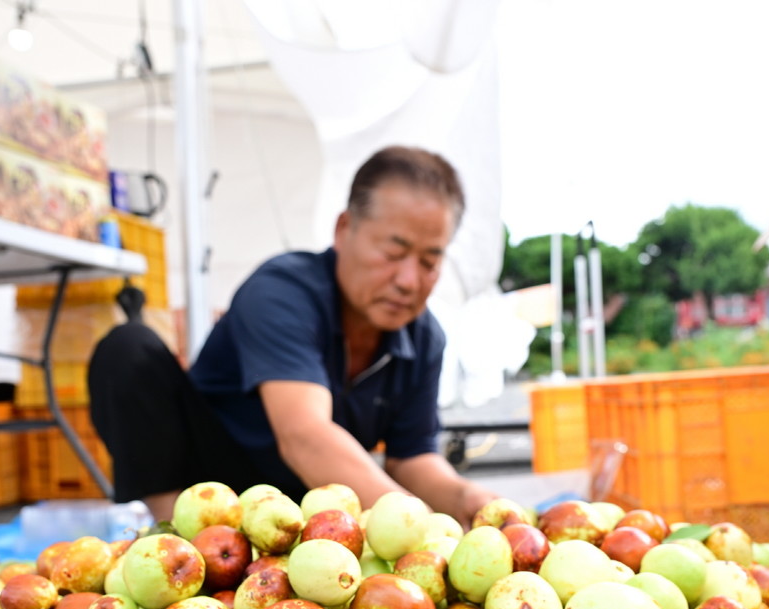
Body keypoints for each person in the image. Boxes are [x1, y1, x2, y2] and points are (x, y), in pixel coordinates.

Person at [88, 145, 497, 525]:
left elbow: (412, 456)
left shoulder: (424, 338)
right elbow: (304, 436)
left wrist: (465, 499)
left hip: (301, 501)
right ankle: (173, 534)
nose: (409, 280)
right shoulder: (282, 292)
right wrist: (417, 528)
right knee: (128, 349)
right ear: (344, 229)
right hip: (211, 480)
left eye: (429, 261)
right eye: (393, 252)